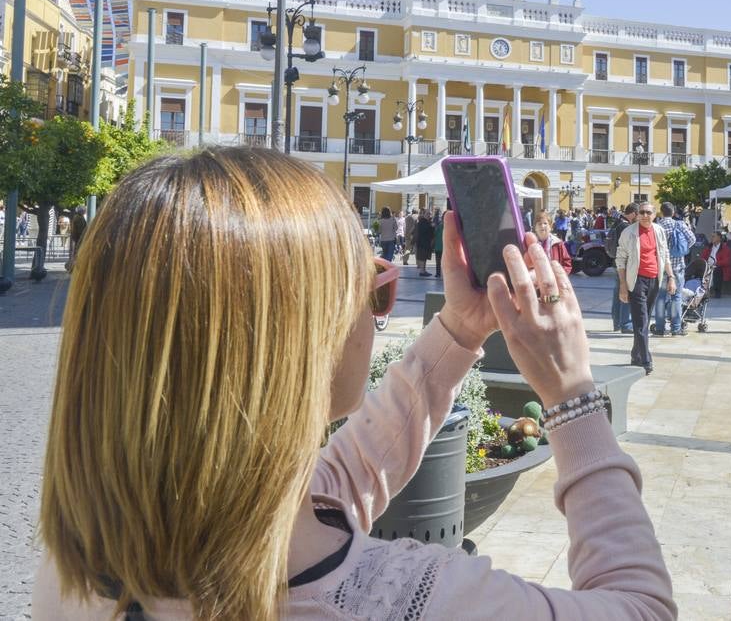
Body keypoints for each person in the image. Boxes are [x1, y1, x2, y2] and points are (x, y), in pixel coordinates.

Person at [32, 147, 675, 621]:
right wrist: (572, 396)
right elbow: (642, 609)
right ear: (306, 342)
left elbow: (337, 484)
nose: (381, 307)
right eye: (375, 288)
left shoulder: (77, 577)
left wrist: (458, 330)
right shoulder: (416, 603)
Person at [615, 202, 675, 376]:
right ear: (637, 214)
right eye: (641, 212)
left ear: (655, 214)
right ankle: (646, 359)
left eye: (648, 212)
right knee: (641, 321)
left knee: (645, 320)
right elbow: (620, 259)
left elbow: (665, 255)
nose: (645, 215)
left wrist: (671, 277)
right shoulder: (629, 232)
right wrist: (623, 285)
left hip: (654, 280)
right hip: (636, 281)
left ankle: (635, 354)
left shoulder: (659, 231)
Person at [653, 202, 693, 337]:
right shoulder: (680, 224)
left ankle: (659, 328)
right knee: (676, 297)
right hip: (677, 267)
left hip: (661, 267)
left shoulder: (657, 227)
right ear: (674, 211)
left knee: (660, 298)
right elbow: (692, 239)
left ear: (661, 212)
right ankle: (676, 328)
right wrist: (681, 249)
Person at [606, 204, 637, 333]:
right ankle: (625, 323)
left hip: (616, 263)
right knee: (625, 293)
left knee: (618, 293)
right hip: (623, 265)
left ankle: (617, 322)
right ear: (634, 213)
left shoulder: (617, 223)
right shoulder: (625, 226)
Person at [700, 231, 731, 298]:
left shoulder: (725, 248)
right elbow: (702, 257)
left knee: (717, 270)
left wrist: (715, 264)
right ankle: (702, 291)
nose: (711, 238)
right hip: (708, 266)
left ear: (719, 238)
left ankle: (717, 292)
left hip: (718, 267)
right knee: (700, 269)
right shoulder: (709, 247)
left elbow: (726, 261)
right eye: (711, 236)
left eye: (713, 236)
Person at [414, 209, 436, 277]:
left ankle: (424, 270)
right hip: (422, 242)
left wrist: (431, 227)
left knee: (425, 257)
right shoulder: (422, 221)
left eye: (430, 214)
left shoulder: (427, 221)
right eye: (427, 214)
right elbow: (424, 230)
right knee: (422, 257)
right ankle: (422, 271)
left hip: (426, 242)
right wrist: (431, 226)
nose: (429, 215)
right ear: (424, 214)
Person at [65, 206, 87, 270]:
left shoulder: (78, 217)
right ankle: (75, 267)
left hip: (78, 239)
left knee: (77, 253)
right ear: (82, 211)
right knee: (78, 254)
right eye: (85, 210)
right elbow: (81, 230)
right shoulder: (79, 218)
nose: (85, 211)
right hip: (79, 239)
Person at [432, 209, 445, 279]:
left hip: (438, 247)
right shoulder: (447, 227)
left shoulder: (439, 226)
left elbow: (435, 234)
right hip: (444, 247)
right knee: (444, 261)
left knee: (438, 261)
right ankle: (444, 274)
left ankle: (438, 273)